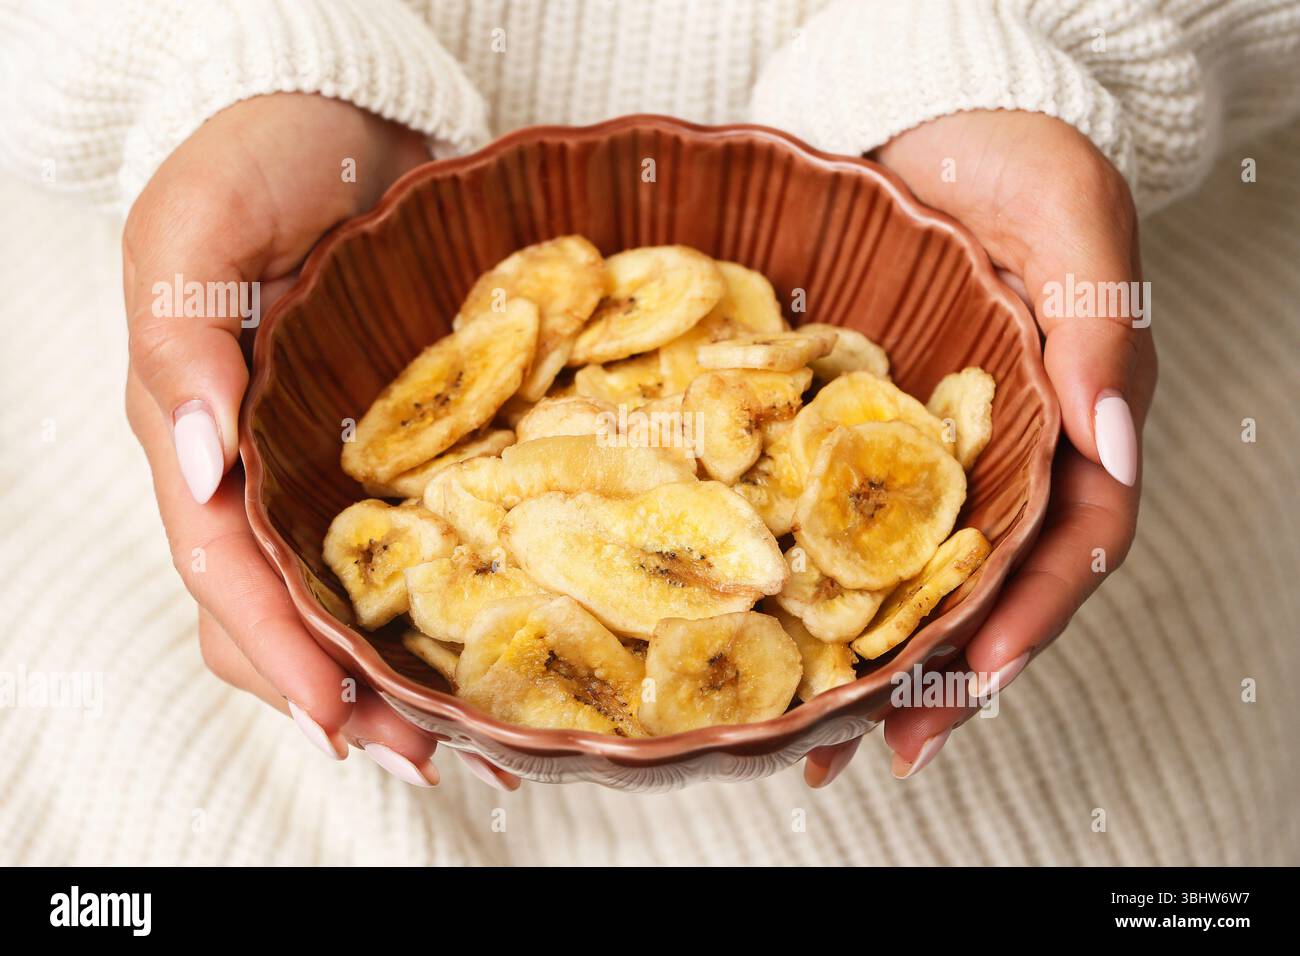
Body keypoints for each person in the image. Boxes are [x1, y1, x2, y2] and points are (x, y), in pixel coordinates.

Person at [2, 0, 1296, 793]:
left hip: (1149, 661)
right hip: (126, 634)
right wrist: (209, 52)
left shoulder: (769, 469)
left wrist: (1038, 42)